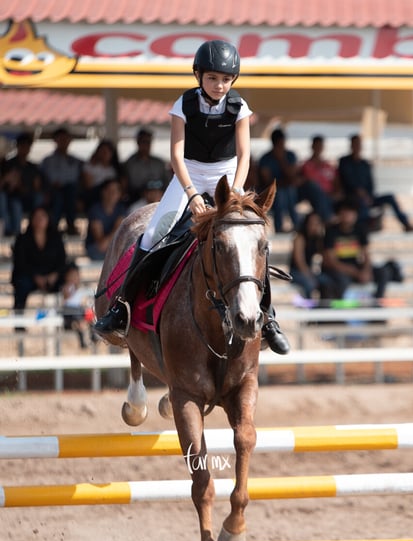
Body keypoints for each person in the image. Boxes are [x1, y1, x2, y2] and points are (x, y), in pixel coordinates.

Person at [95, 40, 290, 355]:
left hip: (228, 178)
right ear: (199, 76)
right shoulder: (183, 104)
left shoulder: (238, 107)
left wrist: (235, 193)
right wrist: (190, 193)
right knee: (152, 234)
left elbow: (244, 156)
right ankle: (121, 308)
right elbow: (176, 154)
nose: (219, 85)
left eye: (226, 79)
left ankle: (268, 321)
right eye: (212, 78)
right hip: (190, 175)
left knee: (249, 242)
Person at [320, 198, 403, 302]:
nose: (348, 215)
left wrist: (366, 270)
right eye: (346, 212)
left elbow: (366, 254)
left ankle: (377, 302)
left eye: (351, 212)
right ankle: (340, 311)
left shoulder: (360, 229)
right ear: (339, 213)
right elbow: (332, 261)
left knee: (383, 272)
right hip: (339, 270)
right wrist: (356, 273)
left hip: (356, 267)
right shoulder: (331, 231)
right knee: (340, 281)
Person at [258, 128, 333, 231]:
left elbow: (292, 175)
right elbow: (267, 181)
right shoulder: (265, 158)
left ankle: (299, 225)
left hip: (290, 189)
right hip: (275, 190)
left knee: (292, 190)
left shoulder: (290, 155)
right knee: (280, 193)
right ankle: (280, 227)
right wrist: (283, 182)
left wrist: (282, 160)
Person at [338, 134, 413, 232]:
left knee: (390, 197)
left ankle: (405, 223)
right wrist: (360, 193)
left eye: (359, 144)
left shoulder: (365, 164)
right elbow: (347, 180)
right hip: (352, 197)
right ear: (351, 145)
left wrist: (369, 195)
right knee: (360, 202)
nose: (357, 146)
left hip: (368, 197)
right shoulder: (344, 162)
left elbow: (370, 183)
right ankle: (365, 228)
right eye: (355, 144)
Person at [11, 205, 67, 313]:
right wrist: (35, 276)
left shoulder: (56, 237)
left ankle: (68, 318)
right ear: (31, 219)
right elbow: (20, 263)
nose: (39, 220)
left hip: (51, 276)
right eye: (36, 217)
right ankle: (18, 317)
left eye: (43, 216)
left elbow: (62, 260)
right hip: (29, 276)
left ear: (48, 219)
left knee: (69, 280)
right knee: (22, 283)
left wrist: (54, 274)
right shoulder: (23, 238)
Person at [41, 127, 83, 235]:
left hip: (71, 192)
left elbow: (78, 179)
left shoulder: (76, 161)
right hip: (54, 191)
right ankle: (53, 228)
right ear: (55, 141)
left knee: (71, 191)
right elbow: (48, 179)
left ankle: (70, 225)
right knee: (59, 197)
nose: (64, 142)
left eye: (66, 139)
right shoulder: (48, 160)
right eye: (61, 139)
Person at [122, 127, 170, 206]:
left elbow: (167, 183)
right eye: (143, 142)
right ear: (138, 142)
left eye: (148, 142)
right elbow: (128, 186)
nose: (146, 145)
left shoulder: (159, 163)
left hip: (160, 198)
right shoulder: (130, 163)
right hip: (136, 198)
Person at [2, 132, 44, 217]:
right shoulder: (8, 164)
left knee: (38, 198)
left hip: (28, 197)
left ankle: (33, 226)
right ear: (17, 146)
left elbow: (37, 186)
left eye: (27, 146)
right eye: (22, 145)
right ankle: (14, 230)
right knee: (15, 205)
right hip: (12, 198)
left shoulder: (33, 167)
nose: (24, 148)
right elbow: (6, 186)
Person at [289, 211, 328, 301]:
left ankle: (323, 307)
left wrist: (321, 236)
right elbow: (299, 261)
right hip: (296, 272)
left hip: (309, 271)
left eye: (317, 223)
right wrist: (309, 275)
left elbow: (324, 255)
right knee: (310, 284)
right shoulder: (299, 238)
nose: (314, 226)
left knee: (326, 282)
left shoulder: (317, 239)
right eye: (312, 223)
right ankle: (309, 308)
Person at [84, 178, 126, 261]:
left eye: (116, 191)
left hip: (114, 247)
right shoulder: (95, 210)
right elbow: (101, 245)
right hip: (95, 248)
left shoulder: (121, 209)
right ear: (103, 192)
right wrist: (116, 230)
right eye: (110, 190)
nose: (113, 194)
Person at [61, 261, 94, 349]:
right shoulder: (67, 287)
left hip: (79, 309)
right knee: (79, 318)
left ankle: (93, 333)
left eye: (76, 275)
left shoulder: (80, 288)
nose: (74, 278)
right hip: (69, 310)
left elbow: (83, 300)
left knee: (89, 314)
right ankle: (83, 338)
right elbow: (66, 297)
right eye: (72, 276)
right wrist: (72, 288)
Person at [81, 139, 121, 211]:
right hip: (94, 194)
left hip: (110, 194)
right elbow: (88, 185)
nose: (104, 154)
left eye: (107, 152)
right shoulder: (90, 166)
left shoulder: (114, 169)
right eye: (102, 151)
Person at [301, 135, 341, 205]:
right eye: (317, 145)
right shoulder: (306, 165)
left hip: (330, 196)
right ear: (312, 146)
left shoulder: (328, 166)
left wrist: (336, 192)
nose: (318, 148)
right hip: (316, 197)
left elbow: (336, 181)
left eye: (320, 146)